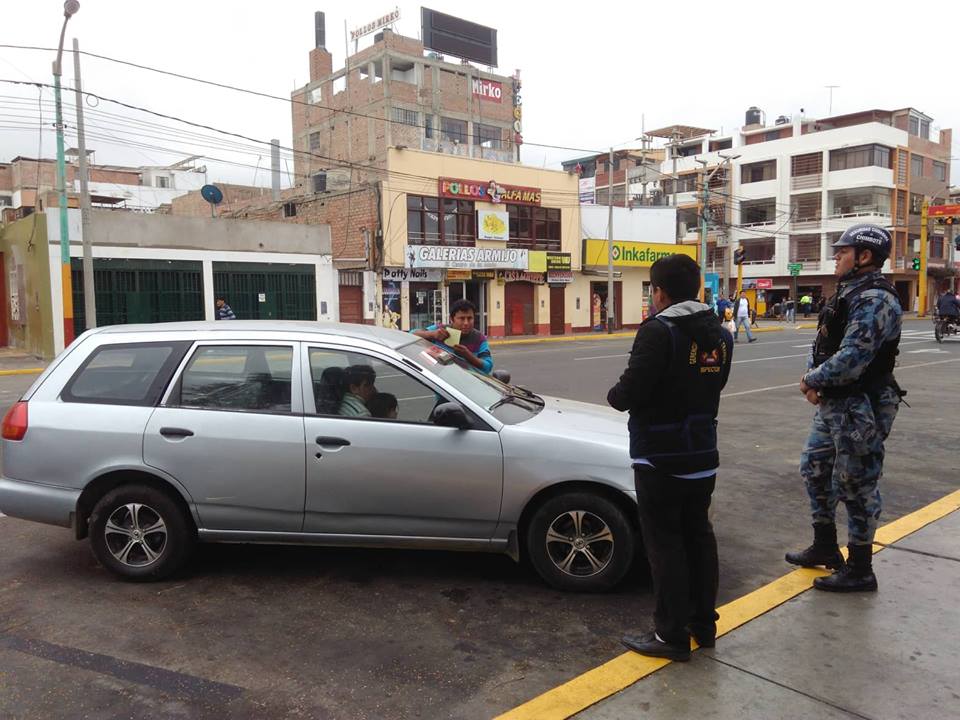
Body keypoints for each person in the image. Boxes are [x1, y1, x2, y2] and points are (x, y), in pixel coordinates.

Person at [607, 254, 734, 662]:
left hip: (660, 457)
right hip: (703, 452)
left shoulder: (657, 331)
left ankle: (670, 635)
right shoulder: (721, 334)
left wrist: (615, 395)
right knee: (699, 537)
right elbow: (715, 385)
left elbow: (628, 393)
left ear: (659, 292)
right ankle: (703, 626)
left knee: (665, 545)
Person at [786, 224, 904, 592]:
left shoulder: (875, 299)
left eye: (843, 251)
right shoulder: (849, 292)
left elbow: (853, 357)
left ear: (864, 256)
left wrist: (811, 381)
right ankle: (825, 545)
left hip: (861, 405)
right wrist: (815, 380)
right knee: (815, 468)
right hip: (835, 402)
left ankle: (860, 568)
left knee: (857, 481)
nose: (836, 256)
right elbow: (824, 344)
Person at [413, 299, 493, 374]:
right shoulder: (440, 330)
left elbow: (488, 367)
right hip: (438, 379)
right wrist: (432, 334)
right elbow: (412, 334)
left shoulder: (479, 338)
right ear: (451, 319)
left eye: (470, 318)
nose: (466, 323)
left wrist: (468, 355)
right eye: (461, 318)